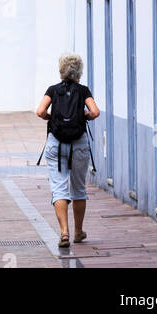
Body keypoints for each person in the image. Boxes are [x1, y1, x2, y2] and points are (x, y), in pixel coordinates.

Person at [35, 53, 100, 249]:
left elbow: (39, 111)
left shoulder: (53, 90)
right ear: (79, 71)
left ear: (61, 70)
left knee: (59, 188)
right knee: (78, 188)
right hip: (79, 143)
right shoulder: (83, 90)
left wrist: (51, 117)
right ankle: (78, 232)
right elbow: (95, 112)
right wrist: (84, 117)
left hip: (56, 143)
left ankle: (64, 232)